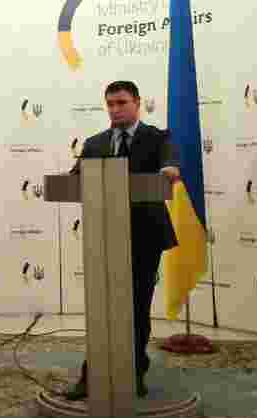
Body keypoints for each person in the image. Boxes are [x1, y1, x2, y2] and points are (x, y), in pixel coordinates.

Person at [65, 80, 180, 400]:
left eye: (121, 103)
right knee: (101, 309)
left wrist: (169, 169)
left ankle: (134, 373)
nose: (115, 110)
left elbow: (169, 162)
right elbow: (74, 181)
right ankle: (92, 375)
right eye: (110, 104)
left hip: (145, 236)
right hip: (104, 236)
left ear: (137, 103)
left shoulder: (159, 138)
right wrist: (69, 179)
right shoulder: (94, 143)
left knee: (137, 308)